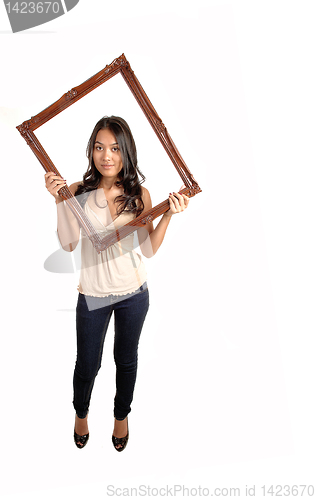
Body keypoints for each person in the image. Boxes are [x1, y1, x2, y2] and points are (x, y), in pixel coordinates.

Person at [44, 116, 189, 451]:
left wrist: (167, 214)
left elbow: (149, 249)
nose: (105, 155)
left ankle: (121, 416)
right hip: (92, 295)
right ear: (91, 152)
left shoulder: (139, 194)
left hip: (133, 292)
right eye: (99, 147)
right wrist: (58, 201)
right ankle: (81, 413)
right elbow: (68, 246)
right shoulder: (79, 192)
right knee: (87, 363)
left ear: (126, 152)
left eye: (113, 148)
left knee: (126, 359)